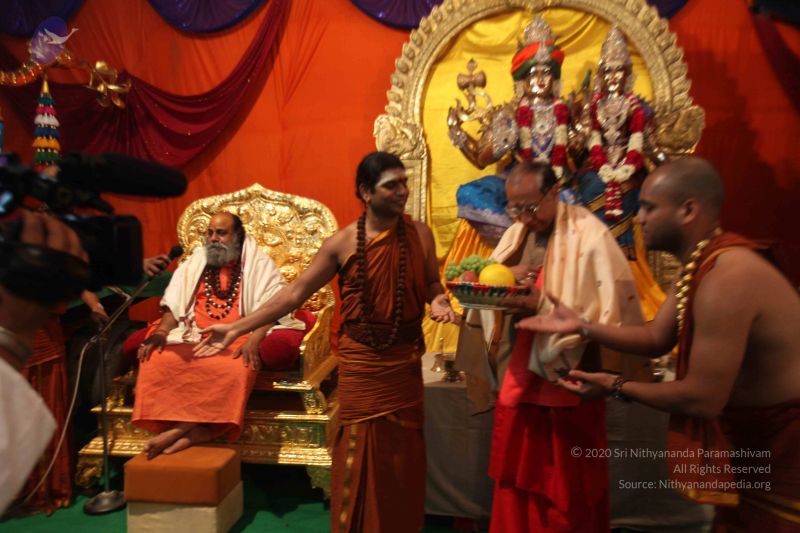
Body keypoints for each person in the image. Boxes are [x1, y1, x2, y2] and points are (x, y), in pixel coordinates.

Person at [520, 157, 800, 531]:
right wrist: (583, 326)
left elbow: (701, 398)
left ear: (688, 210)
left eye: (649, 207)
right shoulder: (700, 264)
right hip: (756, 444)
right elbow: (655, 338)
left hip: (787, 453)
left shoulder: (727, 277)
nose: (638, 219)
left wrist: (615, 385)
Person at [194, 152, 457, 533]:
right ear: (366, 192)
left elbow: (432, 281)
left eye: (404, 182)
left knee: (402, 456)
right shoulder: (342, 243)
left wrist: (439, 300)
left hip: (404, 364)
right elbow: (294, 293)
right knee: (361, 451)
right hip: (363, 365)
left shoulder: (421, 234)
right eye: (391, 185)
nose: (402, 191)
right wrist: (238, 327)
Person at [455, 160, 651, 532]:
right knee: (516, 478)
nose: (524, 218)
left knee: (566, 486)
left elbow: (604, 309)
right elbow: (497, 280)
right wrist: (505, 278)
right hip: (518, 373)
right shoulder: (516, 234)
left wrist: (542, 302)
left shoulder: (589, 234)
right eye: (515, 209)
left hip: (566, 380)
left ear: (554, 192)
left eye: (531, 207)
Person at [132, 211, 304, 459]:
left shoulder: (258, 264)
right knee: (158, 359)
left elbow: (272, 308)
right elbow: (174, 305)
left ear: (237, 236)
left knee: (234, 367)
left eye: (221, 233)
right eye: (210, 233)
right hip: (192, 334)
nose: (213, 238)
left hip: (238, 335)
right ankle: (195, 431)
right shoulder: (195, 262)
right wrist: (161, 332)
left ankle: (180, 430)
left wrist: (254, 340)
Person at [0, 211, 87, 514]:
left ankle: (44, 488)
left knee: (45, 408)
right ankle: (21, 489)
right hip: (14, 344)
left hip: (41, 340)